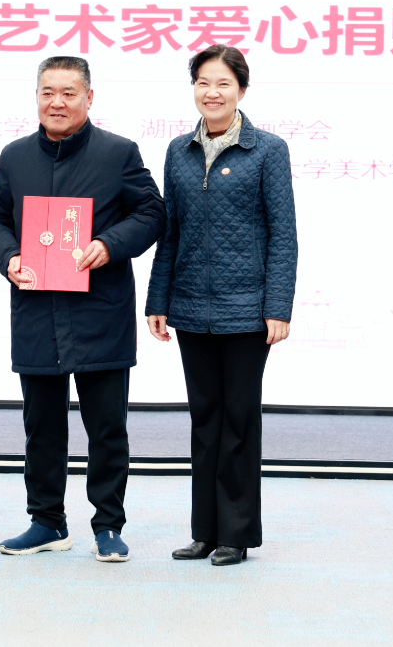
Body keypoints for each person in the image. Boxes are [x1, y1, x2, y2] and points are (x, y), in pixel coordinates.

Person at [0, 56, 164, 563]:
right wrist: (9, 256)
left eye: (68, 93)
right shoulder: (15, 156)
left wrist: (109, 244)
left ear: (89, 98)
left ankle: (108, 525)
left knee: (107, 428)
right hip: (36, 309)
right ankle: (46, 522)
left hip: (99, 310)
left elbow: (152, 212)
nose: (56, 102)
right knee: (41, 426)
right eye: (47, 92)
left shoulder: (118, 152)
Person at [145, 44, 298, 566]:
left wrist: (278, 306)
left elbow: (283, 235)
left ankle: (237, 533)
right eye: (203, 83)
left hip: (248, 311)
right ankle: (205, 531)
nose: (212, 93)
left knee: (239, 421)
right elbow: (170, 232)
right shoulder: (178, 151)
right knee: (204, 421)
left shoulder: (268, 150)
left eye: (223, 84)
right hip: (190, 308)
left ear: (242, 91)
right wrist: (158, 299)